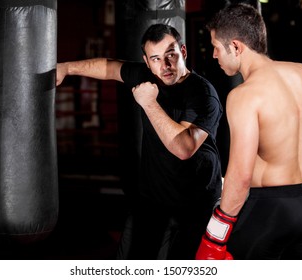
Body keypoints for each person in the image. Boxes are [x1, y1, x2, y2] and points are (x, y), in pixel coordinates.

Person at [57, 23, 223, 259]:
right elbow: (109, 67)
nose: (164, 65)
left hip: (195, 204)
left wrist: (149, 103)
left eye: (170, 55)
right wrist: (65, 68)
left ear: (183, 52)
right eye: (155, 58)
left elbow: (184, 148)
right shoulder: (146, 76)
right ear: (146, 62)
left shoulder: (203, 93)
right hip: (153, 200)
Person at [196, 3, 302, 260]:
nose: (214, 55)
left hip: (270, 211)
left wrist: (214, 235)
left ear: (236, 47)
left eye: (217, 47)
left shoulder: (244, 95)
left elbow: (240, 176)